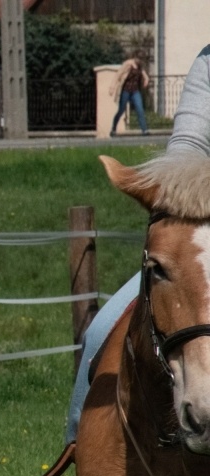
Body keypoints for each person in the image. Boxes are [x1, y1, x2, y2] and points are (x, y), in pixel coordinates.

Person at [65, 44, 210, 445]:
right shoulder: (208, 63)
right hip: (202, 246)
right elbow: (187, 149)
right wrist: (186, 185)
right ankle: (75, 458)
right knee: (99, 333)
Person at [110, 55, 150, 136]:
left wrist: (146, 79)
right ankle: (113, 128)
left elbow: (144, 75)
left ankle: (144, 130)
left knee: (140, 109)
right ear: (135, 59)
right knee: (121, 110)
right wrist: (112, 87)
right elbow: (118, 75)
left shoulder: (140, 67)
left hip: (135, 91)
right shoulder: (128, 64)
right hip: (126, 90)